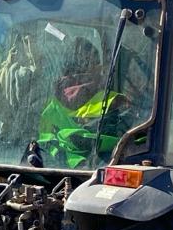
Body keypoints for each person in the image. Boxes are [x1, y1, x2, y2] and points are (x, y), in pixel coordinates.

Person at [36, 39, 123, 168]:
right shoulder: (114, 101)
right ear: (98, 68)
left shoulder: (49, 106)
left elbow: (45, 143)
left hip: (49, 173)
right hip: (95, 176)